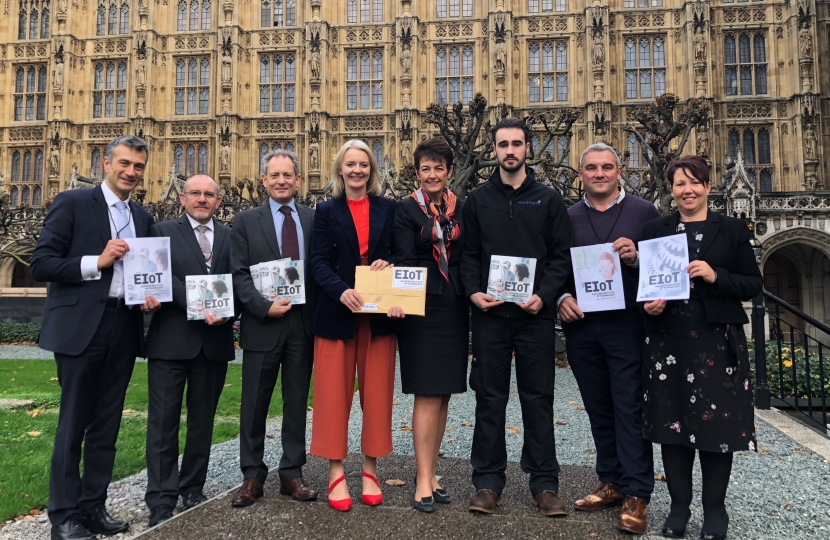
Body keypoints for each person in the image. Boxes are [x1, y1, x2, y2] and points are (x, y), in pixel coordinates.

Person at [30, 136, 159, 540]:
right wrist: (96, 262)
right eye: (124, 163)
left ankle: (92, 506)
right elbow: (41, 264)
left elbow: (143, 269)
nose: (131, 172)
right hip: (81, 327)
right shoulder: (72, 202)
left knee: (106, 425)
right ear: (106, 162)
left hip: (123, 325)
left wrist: (147, 297)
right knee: (73, 424)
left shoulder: (142, 216)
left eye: (138, 166)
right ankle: (63, 516)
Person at [640, 156, 763, 540]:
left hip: (717, 342)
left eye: (694, 182)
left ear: (709, 186)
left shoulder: (730, 229)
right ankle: (679, 507)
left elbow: (752, 284)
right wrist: (649, 305)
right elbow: (644, 287)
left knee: (717, 430)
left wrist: (715, 275)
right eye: (679, 184)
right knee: (672, 427)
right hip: (667, 341)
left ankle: (715, 510)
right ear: (671, 190)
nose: (687, 190)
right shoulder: (655, 230)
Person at [460, 118, 573, 516]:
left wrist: (544, 296)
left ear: (528, 147)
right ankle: (488, 482)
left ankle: (544, 484)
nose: (510, 150)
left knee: (538, 398)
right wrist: (473, 291)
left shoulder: (547, 199)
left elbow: (561, 256)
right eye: (503, 144)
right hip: (491, 316)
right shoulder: (477, 200)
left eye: (517, 144)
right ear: (494, 149)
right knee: (489, 398)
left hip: (533, 317)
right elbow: (469, 254)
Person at [557, 143, 661, 535]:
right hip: (583, 327)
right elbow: (556, 268)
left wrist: (636, 258)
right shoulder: (566, 217)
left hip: (627, 325)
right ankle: (612, 481)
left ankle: (637, 492)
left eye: (606, 167)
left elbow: (665, 267)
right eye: (591, 168)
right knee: (599, 408)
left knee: (629, 408)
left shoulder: (644, 212)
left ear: (620, 171)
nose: (599, 174)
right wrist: (561, 298)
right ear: (580, 173)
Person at [309, 139, 401, 512]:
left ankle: (370, 468)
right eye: (351, 165)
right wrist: (341, 291)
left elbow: (398, 252)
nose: (357, 170)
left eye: (364, 164)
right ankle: (335, 471)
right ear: (340, 169)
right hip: (338, 313)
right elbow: (317, 262)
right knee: (333, 395)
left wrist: (389, 264)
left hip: (377, 316)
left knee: (377, 395)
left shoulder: (388, 209)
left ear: (371, 170)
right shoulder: (326, 210)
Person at [143, 175, 236, 526]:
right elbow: (158, 277)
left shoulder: (230, 236)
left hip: (213, 342)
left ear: (218, 200)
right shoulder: (161, 231)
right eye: (195, 193)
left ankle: (193, 487)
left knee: (202, 422)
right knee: (163, 424)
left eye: (208, 195)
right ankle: (161, 499)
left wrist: (229, 312)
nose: (201, 199)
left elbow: (239, 282)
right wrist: (198, 304)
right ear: (182, 199)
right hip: (171, 341)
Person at [230, 149, 319, 507]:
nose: (281, 181)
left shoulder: (314, 219)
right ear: (263, 180)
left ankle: (291, 473)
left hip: (303, 323)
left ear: (298, 180)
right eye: (274, 175)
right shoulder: (246, 221)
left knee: (297, 402)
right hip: (263, 324)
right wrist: (263, 306)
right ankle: (252, 475)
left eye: (288, 175)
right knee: (254, 404)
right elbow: (238, 274)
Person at [394, 138, 467, 513]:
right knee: (426, 393)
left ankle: (433, 471)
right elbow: (403, 256)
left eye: (439, 168)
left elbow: (469, 255)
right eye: (426, 168)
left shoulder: (461, 209)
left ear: (449, 172)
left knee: (444, 395)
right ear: (418, 173)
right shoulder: (406, 210)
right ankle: (422, 478)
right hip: (420, 309)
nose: (432, 174)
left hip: (453, 308)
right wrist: (434, 229)